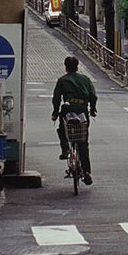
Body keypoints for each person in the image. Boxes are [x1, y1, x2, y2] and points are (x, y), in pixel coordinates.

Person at [51, 55, 97, 185]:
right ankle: (87, 172)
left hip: (68, 109)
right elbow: (93, 96)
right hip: (82, 111)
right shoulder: (86, 79)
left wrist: (55, 113)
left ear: (66, 67)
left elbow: (56, 98)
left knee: (62, 129)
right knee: (83, 142)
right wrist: (93, 110)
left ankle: (65, 149)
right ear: (77, 67)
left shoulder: (62, 80)